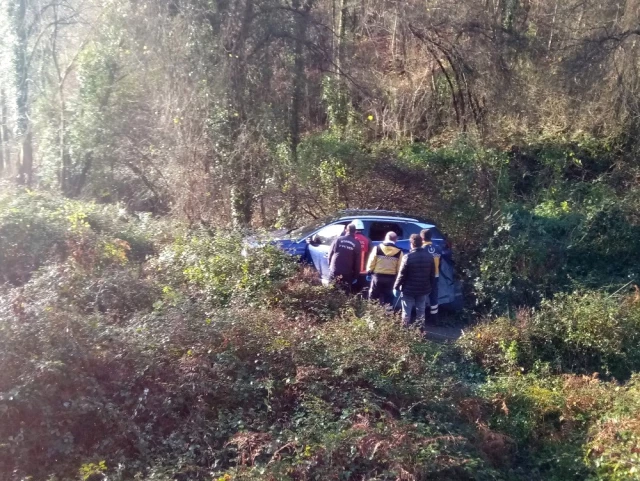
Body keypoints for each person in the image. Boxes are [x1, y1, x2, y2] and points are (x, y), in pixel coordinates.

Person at [393, 234, 436, 329]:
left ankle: (404, 331)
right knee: (421, 310)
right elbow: (432, 274)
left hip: (408, 289)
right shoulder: (429, 257)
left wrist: (396, 287)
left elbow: (401, 275)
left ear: (411, 244)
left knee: (406, 311)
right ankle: (420, 331)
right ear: (421, 243)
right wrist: (430, 287)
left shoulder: (407, 257)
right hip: (423, 289)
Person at [366, 231, 402, 306]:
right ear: (395, 240)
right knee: (388, 299)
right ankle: (388, 315)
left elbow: (372, 261)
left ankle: (372, 314)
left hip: (377, 277)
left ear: (386, 238)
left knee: (373, 297)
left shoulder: (377, 248)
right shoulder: (399, 252)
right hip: (390, 279)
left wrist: (369, 270)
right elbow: (399, 268)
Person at [328, 223, 362, 293]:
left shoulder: (338, 240)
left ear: (346, 230)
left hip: (334, 270)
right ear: (355, 231)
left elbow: (330, 255)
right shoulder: (356, 244)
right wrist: (355, 276)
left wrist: (330, 266)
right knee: (345, 293)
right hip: (347, 273)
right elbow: (357, 262)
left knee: (331, 292)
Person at [420, 228, 442, 323]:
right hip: (435, 276)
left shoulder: (421, 249)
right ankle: (434, 319)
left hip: (424, 276)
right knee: (434, 297)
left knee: (422, 296)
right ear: (431, 237)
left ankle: (422, 318)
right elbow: (440, 263)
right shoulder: (437, 248)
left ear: (422, 238)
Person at [352, 219, 371, 293]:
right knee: (363, 293)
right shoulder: (367, 240)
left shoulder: (351, 239)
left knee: (351, 293)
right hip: (364, 272)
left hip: (352, 271)